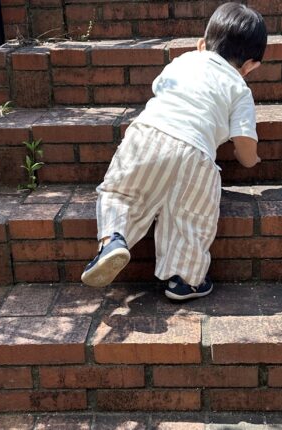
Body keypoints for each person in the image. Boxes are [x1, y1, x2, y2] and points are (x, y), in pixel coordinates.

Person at [81, 1, 267, 300]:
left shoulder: (183, 61)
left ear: (202, 44)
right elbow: (245, 145)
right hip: (196, 155)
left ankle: (113, 239)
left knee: (120, 194)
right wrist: (250, 158)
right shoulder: (240, 89)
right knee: (190, 219)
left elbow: (160, 88)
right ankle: (185, 280)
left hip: (147, 136)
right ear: (250, 66)